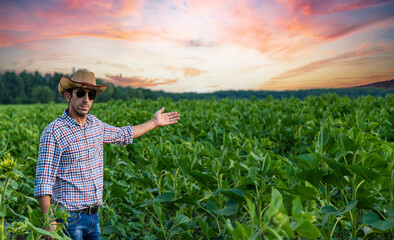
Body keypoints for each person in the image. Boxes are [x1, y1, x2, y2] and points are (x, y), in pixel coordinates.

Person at [34, 70, 180, 240]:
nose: (86, 99)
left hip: (93, 217)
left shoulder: (95, 125)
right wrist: (49, 220)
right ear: (68, 96)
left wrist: (154, 122)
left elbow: (124, 134)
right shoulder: (54, 131)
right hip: (67, 219)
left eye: (91, 95)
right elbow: (43, 181)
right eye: (80, 93)